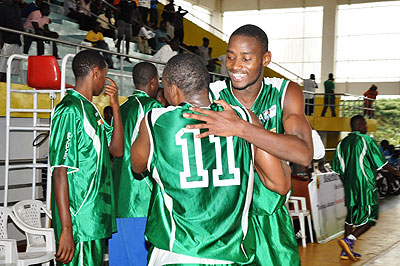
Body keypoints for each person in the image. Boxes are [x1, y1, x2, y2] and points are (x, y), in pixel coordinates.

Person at [131, 53, 292, 265]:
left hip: (177, 252)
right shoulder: (243, 118)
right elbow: (280, 184)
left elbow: (136, 165)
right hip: (231, 254)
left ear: (171, 88)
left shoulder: (156, 121)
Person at [184, 24, 313, 265]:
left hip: (270, 218)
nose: (235, 66)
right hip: (224, 221)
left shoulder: (285, 92)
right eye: (231, 57)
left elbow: (304, 154)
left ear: (265, 59)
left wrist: (242, 128)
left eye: (246, 58)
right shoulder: (211, 95)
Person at [49, 50, 123, 265]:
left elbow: (117, 150)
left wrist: (115, 106)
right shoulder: (69, 110)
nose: (105, 81)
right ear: (95, 72)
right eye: (104, 74)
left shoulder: (91, 109)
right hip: (79, 221)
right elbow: (60, 171)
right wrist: (66, 228)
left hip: (95, 217)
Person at [108, 62, 161, 266]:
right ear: (154, 82)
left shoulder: (120, 109)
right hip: (141, 198)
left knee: (121, 260)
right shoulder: (152, 107)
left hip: (119, 199)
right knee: (142, 260)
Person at [332, 115, 400, 261]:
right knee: (372, 217)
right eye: (365, 124)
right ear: (360, 125)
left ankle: (345, 251)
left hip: (349, 186)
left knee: (351, 217)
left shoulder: (341, 144)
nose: (367, 127)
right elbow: (381, 162)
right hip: (365, 184)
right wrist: (395, 171)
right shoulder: (366, 140)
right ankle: (349, 239)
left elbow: (337, 168)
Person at [0, 0, 24, 82]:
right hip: (6, 41)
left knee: (9, 70)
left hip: (16, 40)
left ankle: (5, 91)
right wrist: (1, 43)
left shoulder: (16, 7)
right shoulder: (3, 7)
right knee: (1, 69)